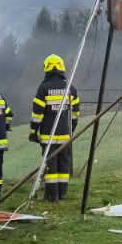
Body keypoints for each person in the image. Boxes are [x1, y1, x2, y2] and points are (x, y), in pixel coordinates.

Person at [29, 54, 81, 201]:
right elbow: (75, 114)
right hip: (66, 135)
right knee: (64, 163)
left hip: (48, 135)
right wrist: (71, 130)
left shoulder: (43, 88)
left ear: (46, 68)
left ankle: (52, 196)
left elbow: (37, 114)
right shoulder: (70, 88)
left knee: (50, 164)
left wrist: (33, 132)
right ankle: (62, 194)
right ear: (62, 68)